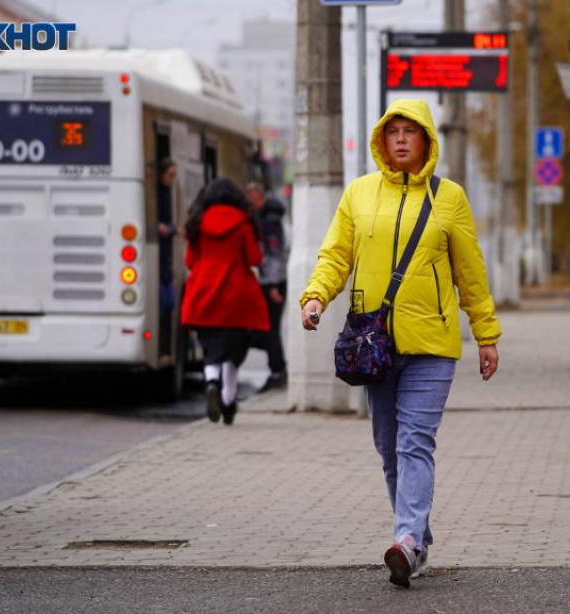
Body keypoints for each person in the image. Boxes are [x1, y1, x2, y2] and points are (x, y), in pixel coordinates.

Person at [300, 99, 501, 587]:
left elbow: (469, 272)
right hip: (376, 344)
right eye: (394, 132)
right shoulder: (359, 195)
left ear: (428, 140)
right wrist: (315, 298)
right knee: (389, 446)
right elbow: (335, 256)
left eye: (412, 131)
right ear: (382, 140)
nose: (403, 139)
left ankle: (407, 540)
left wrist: (486, 333)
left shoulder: (448, 197)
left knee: (415, 441)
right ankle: (418, 541)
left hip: (432, 343)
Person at [181, 178, 270, 425]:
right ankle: (228, 401)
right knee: (233, 352)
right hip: (236, 297)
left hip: (204, 294)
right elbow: (254, 259)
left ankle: (211, 382)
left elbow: (190, 261)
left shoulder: (197, 222)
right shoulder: (243, 223)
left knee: (211, 348)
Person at [246, 181, 289, 392]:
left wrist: (273, 285)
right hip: (269, 281)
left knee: (270, 330)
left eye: (249, 197)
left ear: (257, 197)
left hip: (274, 282)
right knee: (266, 329)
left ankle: (278, 371)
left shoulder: (269, 221)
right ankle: (278, 369)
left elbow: (275, 254)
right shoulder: (263, 217)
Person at [157, 158, 179, 357]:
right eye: (170, 175)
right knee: (165, 302)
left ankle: (165, 346)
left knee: (169, 303)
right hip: (160, 260)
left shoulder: (166, 194)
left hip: (165, 261)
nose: (173, 180)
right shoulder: (158, 196)